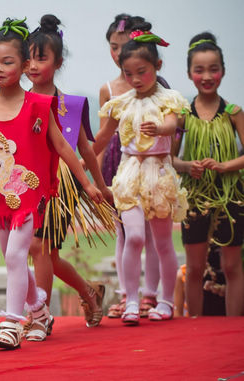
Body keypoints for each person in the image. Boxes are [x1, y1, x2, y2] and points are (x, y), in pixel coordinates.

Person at [0, 17, 103, 349]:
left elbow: (62, 146)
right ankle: (40, 310)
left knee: (16, 256)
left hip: (30, 195)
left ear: (25, 64)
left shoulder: (39, 106)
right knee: (12, 257)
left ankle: (12, 323)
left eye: (7, 62)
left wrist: (87, 185)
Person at [92, 22, 190, 325]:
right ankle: (131, 299)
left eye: (142, 72)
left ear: (157, 65)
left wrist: (159, 128)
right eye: (129, 73)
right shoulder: (120, 103)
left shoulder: (168, 99)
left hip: (158, 172)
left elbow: (173, 125)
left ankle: (163, 300)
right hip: (129, 173)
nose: (135, 79)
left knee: (162, 242)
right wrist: (78, 157)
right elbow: (102, 139)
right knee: (133, 236)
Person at [24, 14, 114, 332]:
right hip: (27, 181)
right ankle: (90, 292)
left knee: (40, 248)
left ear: (58, 62)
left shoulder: (72, 105)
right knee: (46, 252)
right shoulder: (18, 102)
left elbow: (86, 150)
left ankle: (41, 318)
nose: (33, 66)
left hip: (63, 184)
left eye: (42, 58)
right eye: (28, 58)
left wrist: (99, 187)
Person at [172, 32, 244, 316]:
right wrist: (189, 167)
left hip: (232, 195)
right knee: (195, 267)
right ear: (190, 73)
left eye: (213, 69)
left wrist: (225, 166)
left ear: (223, 71)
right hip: (194, 195)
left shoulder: (233, 113)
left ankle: (234, 327)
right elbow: (169, 157)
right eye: (199, 70)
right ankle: (195, 326)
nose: (207, 76)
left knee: (231, 265)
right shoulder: (182, 114)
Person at [99, 14, 163, 319]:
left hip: (153, 167)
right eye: (113, 47)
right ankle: (127, 295)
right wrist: (96, 179)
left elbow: (172, 132)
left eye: (124, 46)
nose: (118, 52)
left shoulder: (160, 88)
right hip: (118, 164)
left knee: (151, 234)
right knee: (125, 232)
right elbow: (99, 138)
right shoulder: (108, 90)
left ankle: (149, 295)